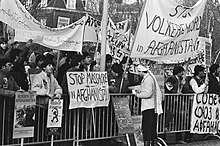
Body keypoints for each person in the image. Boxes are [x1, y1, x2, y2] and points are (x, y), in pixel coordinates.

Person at [129, 64, 163, 146]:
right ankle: (153, 142)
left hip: (149, 106)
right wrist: (133, 88)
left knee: (146, 127)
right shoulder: (148, 78)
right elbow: (142, 87)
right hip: (152, 106)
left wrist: (137, 95)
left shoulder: (148, 79)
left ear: (141, 71)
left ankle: (147, 143)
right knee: (151, 127)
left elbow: (148, 93)